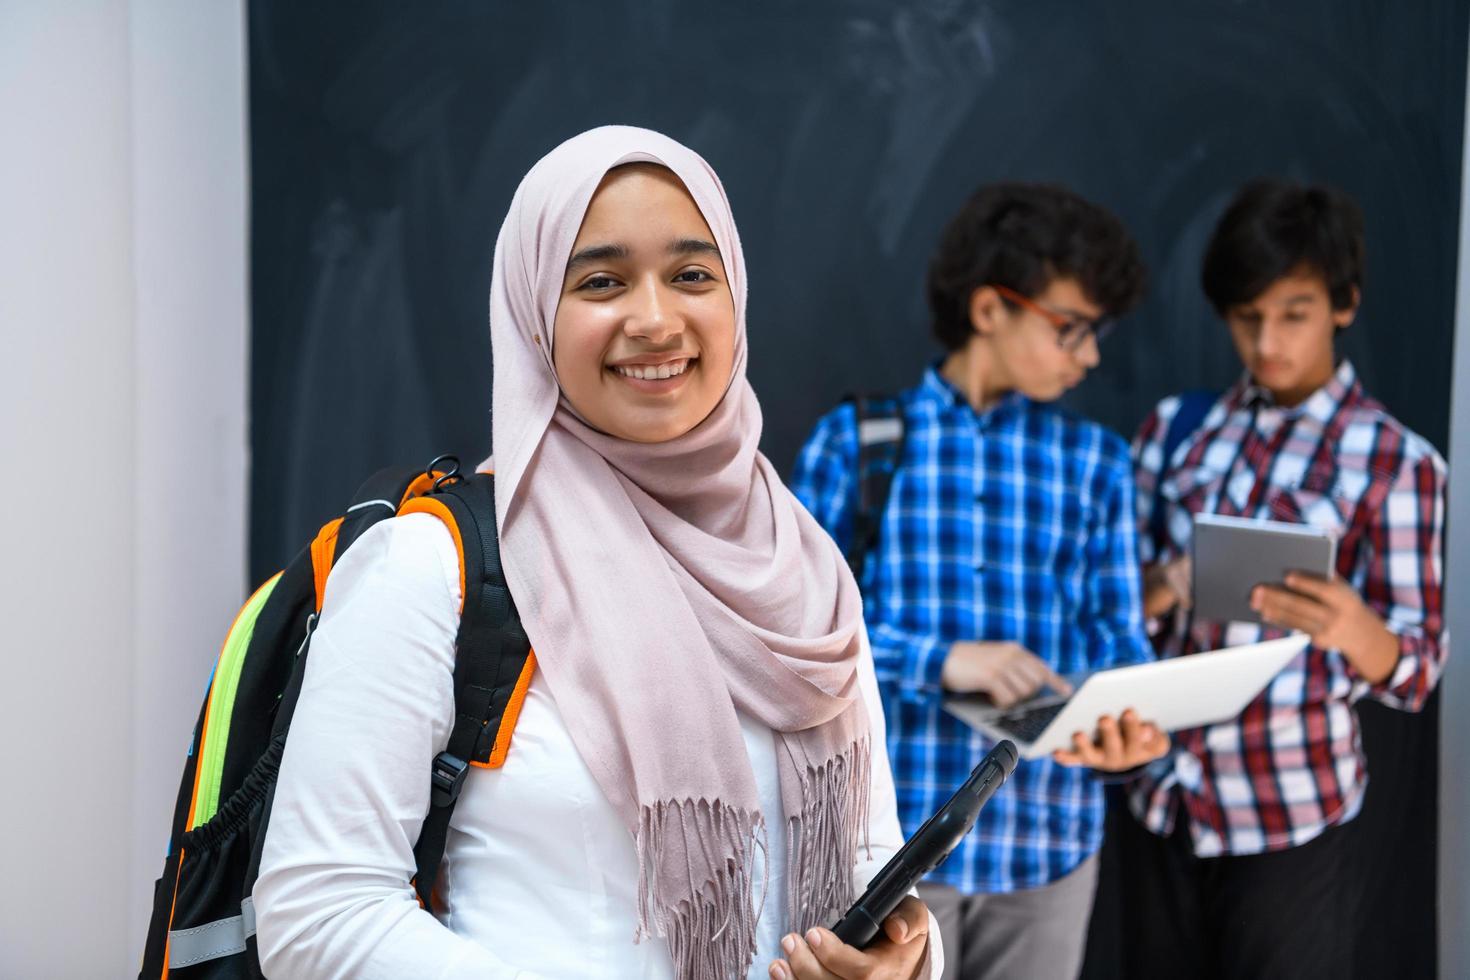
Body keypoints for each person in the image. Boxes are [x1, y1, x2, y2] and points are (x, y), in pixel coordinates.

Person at [252, 126, 943, 980]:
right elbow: (319, 915)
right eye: (601, 281)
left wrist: (906, 961)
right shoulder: (433, 568)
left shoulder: (800, 565)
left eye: (693, 274)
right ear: (535, 313)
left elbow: (866, 851)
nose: (655, 320)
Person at [790, 183, 1168, 980]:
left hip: (1050, 846)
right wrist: (942, 658)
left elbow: (1118, 637)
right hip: (887, 848)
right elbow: (790, 636)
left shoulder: (1096, 464)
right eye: (1073, 329)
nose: (1091, 356)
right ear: (992, 309)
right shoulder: (858, 445)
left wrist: (1126, 728)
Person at [1125, 178, 1449, 979]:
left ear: (1344, 305)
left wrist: (1350, 625)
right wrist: (1169, 580)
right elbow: (1110, 613)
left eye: (1293, 314)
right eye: (1247, 317)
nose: (1267, 340)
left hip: (1290, 811)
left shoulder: (1397, 463)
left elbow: (1415, 670)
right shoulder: (1177, 432)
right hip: (1158, 797)